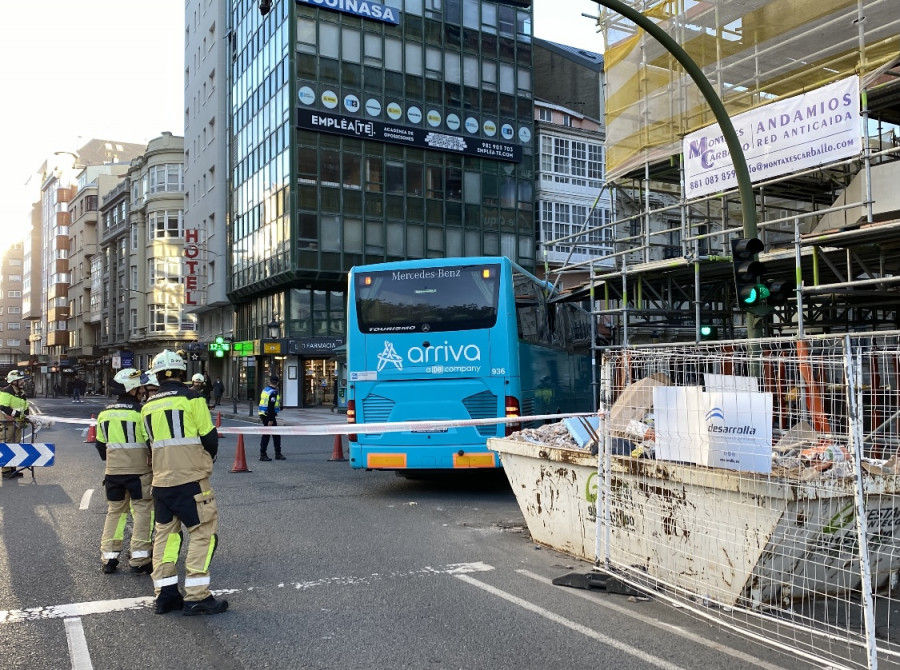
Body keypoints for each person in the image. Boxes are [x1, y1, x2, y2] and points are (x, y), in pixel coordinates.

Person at [141, 349, 227, 616]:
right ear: (182, 373)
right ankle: (197, 596)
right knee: (203, 534)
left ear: (157, 375)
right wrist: (206, 460)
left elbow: (148, 443)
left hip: (161, 482)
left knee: (165, 537)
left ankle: (165, 596)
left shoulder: (148, 405)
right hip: (191, 480)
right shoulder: (193, 398)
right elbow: (209, 437)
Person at [94, 368, 153, 574]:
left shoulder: (104, 414)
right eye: (140, 387)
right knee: (143, 512)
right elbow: (151, 442)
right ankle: (140, 559)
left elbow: (101, 446)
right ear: (132, 389)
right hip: (139, 473)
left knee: (115, 512)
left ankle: (109, 558)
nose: (143, 390)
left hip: (113, 473)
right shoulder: (142, 413)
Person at [1, 371, 33, 480]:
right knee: (7, 444)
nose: (23, 381)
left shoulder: (21, 393)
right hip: (8, 423)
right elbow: (3, 407)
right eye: (21, 379)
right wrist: (19, 414)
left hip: (17, 423)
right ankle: (5, 471)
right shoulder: (6, 392)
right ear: (14, 381)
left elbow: (25, 405)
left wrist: (26, 414)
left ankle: (13, 469)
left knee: (16, 445)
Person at [258, 375, 284, 461]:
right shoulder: (273, 392)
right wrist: (271, 419)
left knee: (274, 434)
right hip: (268, 415)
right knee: (268, 435)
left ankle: (276, 453)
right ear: (277, 383)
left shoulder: (265, 390)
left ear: (270, 381)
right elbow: (270, 406)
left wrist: (279, 408)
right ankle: (265, 454)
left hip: (263, 414)